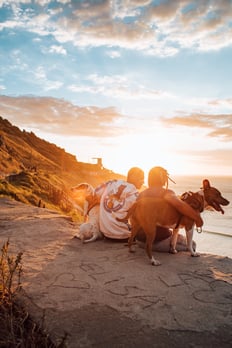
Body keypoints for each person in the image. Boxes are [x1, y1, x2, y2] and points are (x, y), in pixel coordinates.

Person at [136, 166, 203, 252]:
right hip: (158, 242)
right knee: (192, 245)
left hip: (139, 241)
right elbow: (180, 205)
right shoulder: (166, 193)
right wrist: (197, 218)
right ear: (162, 178)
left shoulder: (141, 194)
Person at [95, 167, 144, 240]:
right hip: (123, 235)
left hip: (105, 232)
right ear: (133, 177)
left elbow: (96, 192)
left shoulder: (112, 183)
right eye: (141, 178)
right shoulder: (135, 195)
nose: (143, 182)